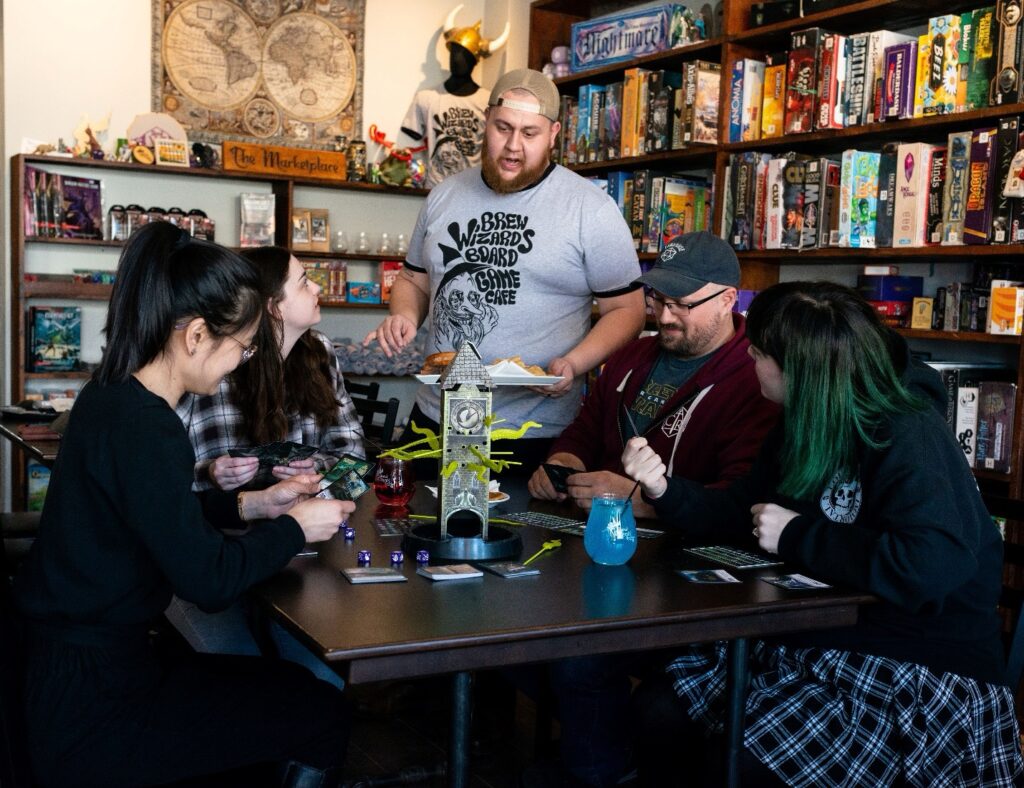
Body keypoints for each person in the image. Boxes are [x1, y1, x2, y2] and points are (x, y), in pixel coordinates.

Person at [622, 281, 1023, 787]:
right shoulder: (801, 420)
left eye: (761, 353)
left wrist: (796, 537)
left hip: (912, 667)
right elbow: (740, 512)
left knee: (742, 758)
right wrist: (662, 487)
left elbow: (933, 565)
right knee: (658, 710)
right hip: (811, 639)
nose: (749, 357)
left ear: (803, 371)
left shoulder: (908, 429)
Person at [13, 222, 352, 788]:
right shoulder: (149, 428)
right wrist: (294, 527)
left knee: (283, 697)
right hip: (96, 700)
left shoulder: (111, 396)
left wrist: (249, 508)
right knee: (320, 711)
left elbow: (151, 515)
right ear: (196, 335)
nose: (242, 362)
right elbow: (208, 579)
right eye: (242, 347)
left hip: (66, 668)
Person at [523, 232, 780, 788]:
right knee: (517, 627)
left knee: (578, 657)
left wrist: (641, 497)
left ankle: (603, 770)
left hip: (693, 582)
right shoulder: (635, 354)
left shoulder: (754, 374)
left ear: (729, 300)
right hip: (610, 562)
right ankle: (595, 756)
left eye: (681, 304)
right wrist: (561, 462)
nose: (663, 316)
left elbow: (737, 500)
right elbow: (584, 429)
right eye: (657, 299)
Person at [368, 67, 646, 474]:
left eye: (529, 133)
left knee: (522, 536)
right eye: (503, 128)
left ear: (553, 134)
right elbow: (414, 279)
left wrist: (574, 363)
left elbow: (628, 310)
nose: (513, 146)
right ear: (486, 123)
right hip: (434, 418)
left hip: (531, 431)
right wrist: (404, 316)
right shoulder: (444, 195)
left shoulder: (591, 209)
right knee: (414, 530)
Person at [170, 245, 365, 691]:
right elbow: (160, 481)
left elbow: (353, 456)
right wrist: (212, 474)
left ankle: (302, 748)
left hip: (302, 555)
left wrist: (314, 470)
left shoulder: (319, 353)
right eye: (304, 281)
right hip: (208, 555)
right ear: (272, 306)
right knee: (248, 677)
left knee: (318, 676)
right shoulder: (208, 363)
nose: (318, 288)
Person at [399, 6, 509, 188]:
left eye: (465, 54)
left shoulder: (489, 101)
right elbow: (413, 137)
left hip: (475, 191)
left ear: (476, 60)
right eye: (454, 51)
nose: (457, 59)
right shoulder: (426, 98)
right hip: (434, 188)